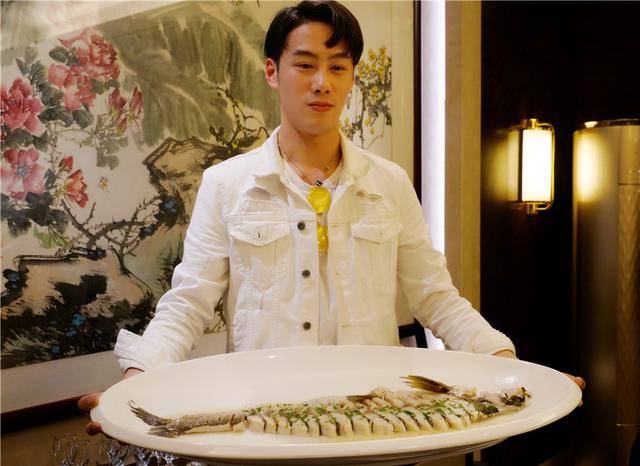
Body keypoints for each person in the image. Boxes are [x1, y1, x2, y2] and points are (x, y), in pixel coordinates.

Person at [80, 0, 584, 434]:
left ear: (351, 78)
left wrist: (513, 372)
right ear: (272, 72)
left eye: (338, 67)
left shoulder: (389, 183)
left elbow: (436, 298)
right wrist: (134, 385)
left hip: (372, 421)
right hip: (265, 424)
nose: (322, 83)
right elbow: (188, 305)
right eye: (305, 65)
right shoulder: (227, 185)